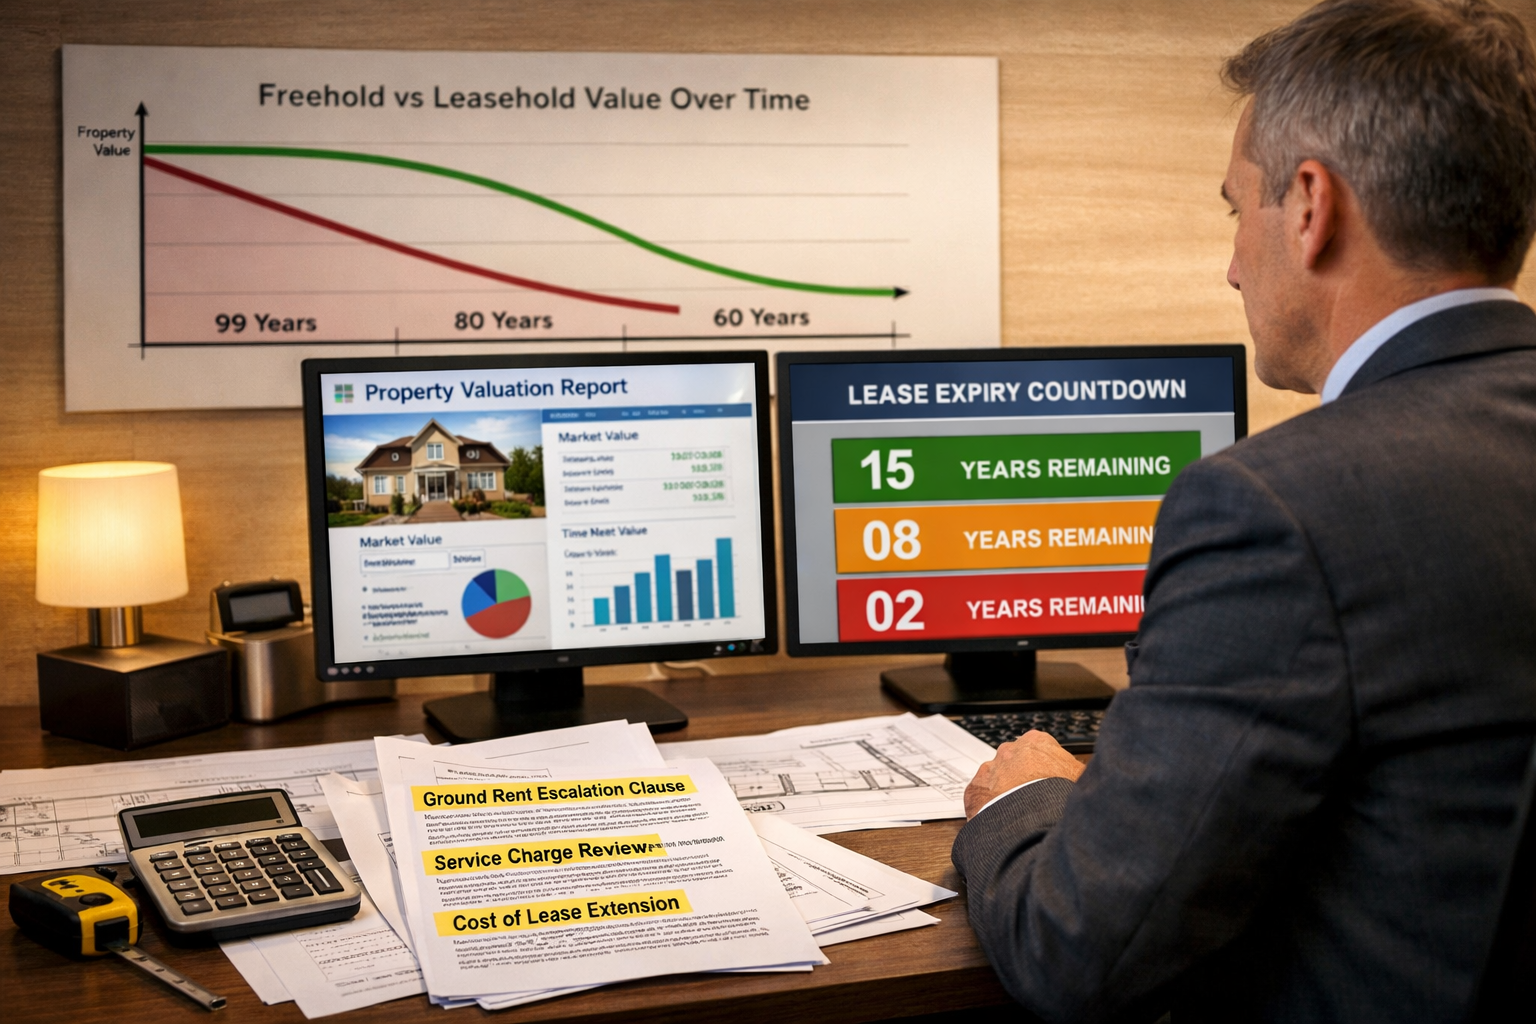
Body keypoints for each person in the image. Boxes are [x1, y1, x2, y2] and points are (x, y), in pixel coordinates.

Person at [951, 1, 1536, 1021]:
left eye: (1236, 208)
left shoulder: (1279, 507)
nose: (1230, 263)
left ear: (1311, 207)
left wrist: (1026, 797)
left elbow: (1078, 948)